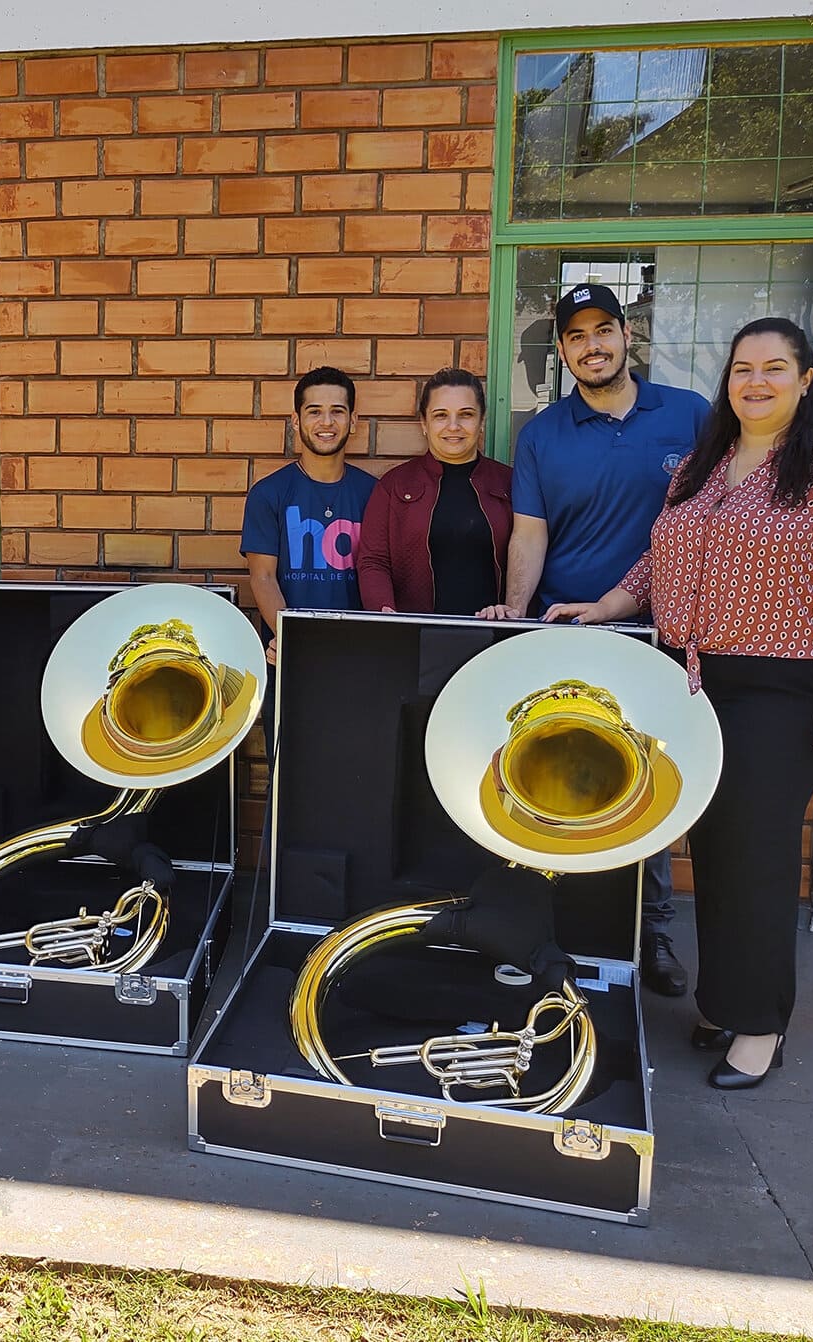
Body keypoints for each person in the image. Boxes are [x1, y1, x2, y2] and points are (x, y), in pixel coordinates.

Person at [544, 317, 813, 1090]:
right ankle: (725, 1003)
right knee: (712, 850)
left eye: (775, 368)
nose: (756, 382)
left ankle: (761, 1025)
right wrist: (608, 605)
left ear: (806, 380)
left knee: (756, 855)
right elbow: (657, 555)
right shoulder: (704, 465)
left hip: (782, 686)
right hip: (692, 680)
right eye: (743, 369)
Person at [479, 284, 711, 998]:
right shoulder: (542, 434)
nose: (592, 346)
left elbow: (719, 518)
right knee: (554, 779)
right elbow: (530, 533)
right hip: (566, 634)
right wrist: (518, 614)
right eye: (576, 336)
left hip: (660, 636)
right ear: (562, 349)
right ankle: (553, 931)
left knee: (649, 780)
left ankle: (651, 932)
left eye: (603, 330)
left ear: (626, 335)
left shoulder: (690, 415)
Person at [240, 366, 376, 750]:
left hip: (356, 661)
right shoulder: (269, 493)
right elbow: (263, 577)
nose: (326, 422)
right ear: (296, 421)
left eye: (337, 411)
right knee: (289, 774)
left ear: (353, 421)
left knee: (356, 768)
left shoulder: (373, 493)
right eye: (314, 411)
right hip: (290, 659)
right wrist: (293, 639)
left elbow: (382, 574)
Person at [357, 368, 511, 615]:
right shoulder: (394, 485)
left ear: (482, 421)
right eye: (441, 415)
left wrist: (513, 610)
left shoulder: (509, 483)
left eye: (466, 415)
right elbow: (373, 561)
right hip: (416, 633)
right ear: (424, 423)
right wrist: (385, 614)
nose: (453, 426)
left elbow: (530, 554)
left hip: (495, 630)